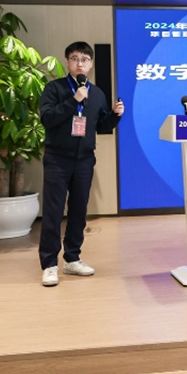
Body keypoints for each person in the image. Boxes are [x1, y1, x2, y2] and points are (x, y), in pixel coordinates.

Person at [38, 42, 124, 287]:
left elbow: (101, 126)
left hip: (85, 159)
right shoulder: (54, 88)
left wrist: (115, 116)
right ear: (67, 62)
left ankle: (72, 258)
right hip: (57, 158)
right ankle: (49, 264)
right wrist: (73, 100)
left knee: (78, 211)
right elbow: (47, 119)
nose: (80, 64)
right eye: (75, 59)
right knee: (53, 212)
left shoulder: (97, 94)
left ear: (91, 64)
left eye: (85, 59)